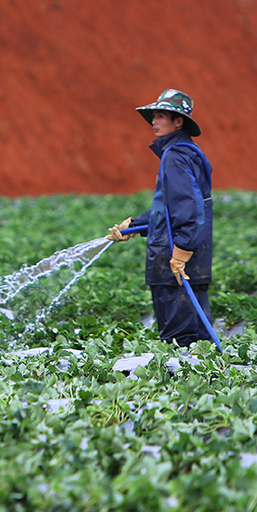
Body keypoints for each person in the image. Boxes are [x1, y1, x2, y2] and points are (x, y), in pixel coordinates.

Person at [106, 89, 218, 348]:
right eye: (153, 117)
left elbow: (188, 210)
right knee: (199, 344)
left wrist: (180, 253)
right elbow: (171, 208)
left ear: (178, 122)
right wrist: (134, 225)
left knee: (181, 342)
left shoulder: (175, 157)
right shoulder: (189, 152)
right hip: (191, 259)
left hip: (173, 263)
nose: (153, 122)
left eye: (160, 116)